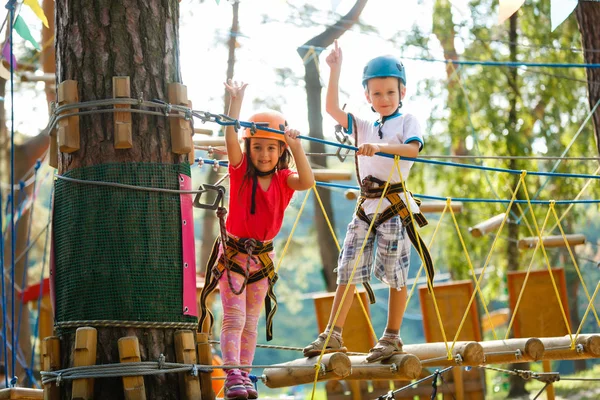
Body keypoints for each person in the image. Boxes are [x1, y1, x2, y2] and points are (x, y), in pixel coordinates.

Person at [303, 41, 433, 363]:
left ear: (402, 91)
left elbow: (413, 150)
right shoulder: (363, 125)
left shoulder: (407, 122)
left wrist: (380, 147)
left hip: (393, 204)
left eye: (390, 92)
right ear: (367, 97)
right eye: (377, 94)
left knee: (395, 272)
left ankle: (391, 336)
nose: (384, 99)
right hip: (365, 206)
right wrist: (334, 70)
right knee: (347, 268)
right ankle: (333, 333)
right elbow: (332, 109)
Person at [199, 80, 314, 400]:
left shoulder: (284, 179)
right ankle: (232, 371)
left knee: (251, 321)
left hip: (262, 259)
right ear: (250, 150)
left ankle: (244, 376)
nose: (264, 154)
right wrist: (235, 103)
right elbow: (230, 137)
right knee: (234, 317)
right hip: (234, 253)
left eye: (272, 148)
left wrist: (296, 146)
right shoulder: (240, 171)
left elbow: (307, 180)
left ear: (281, 153)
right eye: (258, 147)